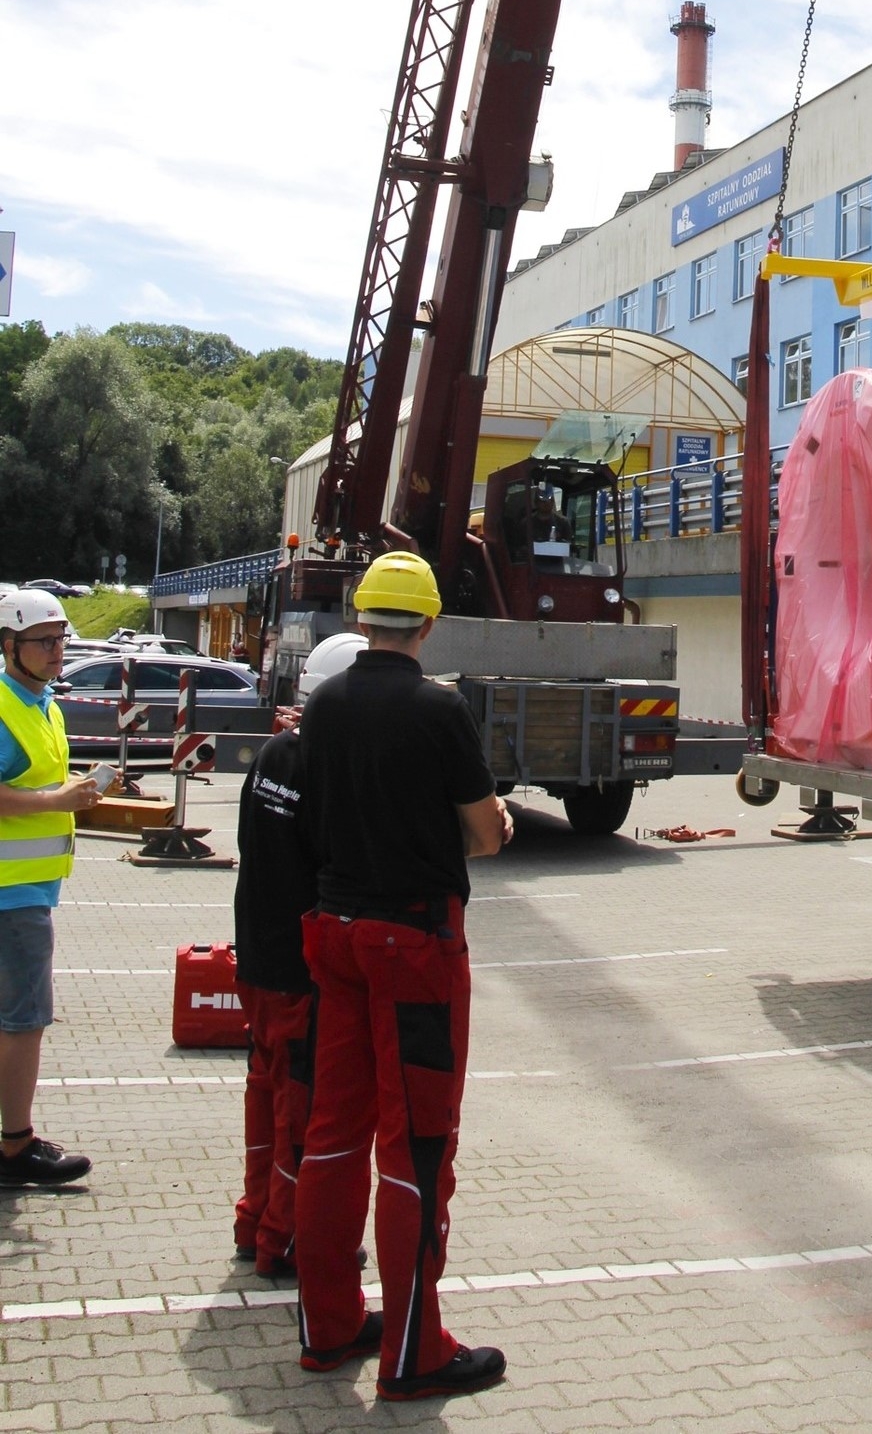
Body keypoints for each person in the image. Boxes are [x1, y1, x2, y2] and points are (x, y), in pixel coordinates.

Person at [292, 552, 510, 1401]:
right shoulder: (439, 708)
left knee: (333, 1132)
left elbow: (321, 812)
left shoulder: (325, 704)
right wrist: (478, 829)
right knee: (417, 1146)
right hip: (413, 942)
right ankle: (415, 1351)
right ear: (425, 624)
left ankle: (328, 1325)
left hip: (335, 932)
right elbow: (484, 833)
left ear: (360, 617)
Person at [231, 631, 367, 1279]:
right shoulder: (325, 768)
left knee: (263, 1090)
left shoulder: (272, 756)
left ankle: (256, 1215)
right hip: (300, 970)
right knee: (299, 1108)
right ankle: (281, 1238)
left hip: (257, 955)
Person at [0, 591, 102, 1189]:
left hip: (28, 888)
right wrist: (57, 800)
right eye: (44, 641)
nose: (57, 651)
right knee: (24, 1020)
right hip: (13, 894)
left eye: (61, 640)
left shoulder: (42, 704)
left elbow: (39, 778)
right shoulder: (8, 705)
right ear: (10, 645)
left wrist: (73, 790)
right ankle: (15, 1148)